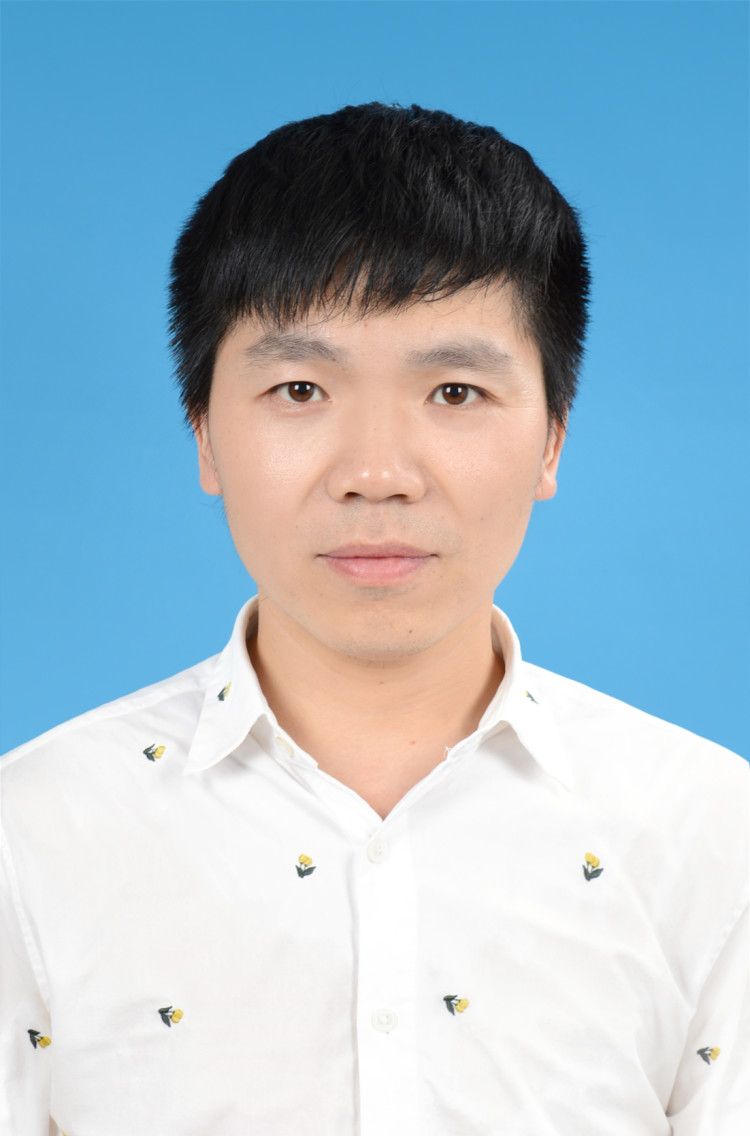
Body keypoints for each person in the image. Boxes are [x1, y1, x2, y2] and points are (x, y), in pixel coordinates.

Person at [1, 101, 747, 1135]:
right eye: (301, 388)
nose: (378, 473)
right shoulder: (33, 833)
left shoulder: (714, 833)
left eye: (455, 392)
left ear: (551, 440)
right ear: (205, 434)